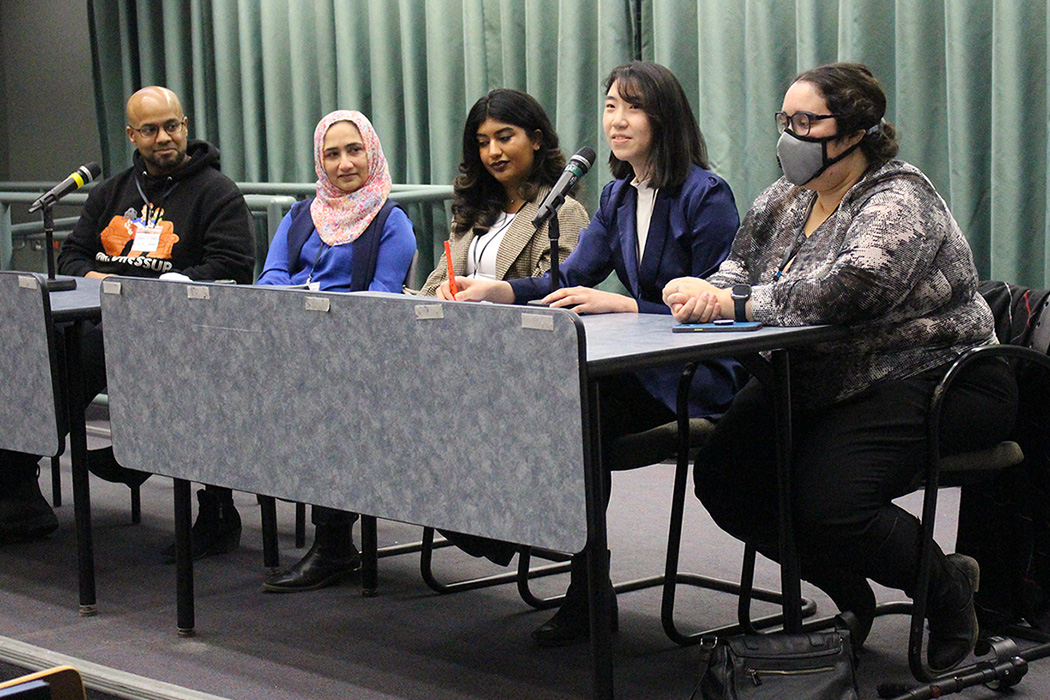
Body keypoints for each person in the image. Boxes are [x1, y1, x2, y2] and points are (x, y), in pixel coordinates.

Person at [662, 63, 1018, 673]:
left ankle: (947, 591)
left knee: (830, 501)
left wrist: (735, 303)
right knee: (727, 481)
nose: (789, 136)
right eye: (785, 120)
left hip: (934, 373)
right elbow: (739, 268)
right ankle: (849, 592)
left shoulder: (899, 197)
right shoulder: (784, 196)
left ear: (855, 132)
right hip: (821, 376)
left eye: (806, 122)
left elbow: (854, 288)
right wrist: (703, 291)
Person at [446, 62, 746, 646]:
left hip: (696, 374)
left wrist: (631, 306)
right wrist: (500, 290)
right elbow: (573, 276)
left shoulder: (705, 195)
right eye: (610, 107)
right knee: (550, 403)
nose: (617, 120)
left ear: (664, 118)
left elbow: (720, 304)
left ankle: (579, 583)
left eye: (632, 107)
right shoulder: (617, 195)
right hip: (642, 368)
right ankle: (562, 568)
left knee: (576, 416)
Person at [265, 89, 588, 591]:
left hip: (512, 360)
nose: (493, 152)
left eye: (504, 137)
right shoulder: (474, 209)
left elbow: (558, 290)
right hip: (449, 354)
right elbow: (438, 280)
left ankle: (490, 523)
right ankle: (338, 542)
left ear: (537, 139)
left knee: (358, 402)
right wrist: (438, 297)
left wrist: (493, 295)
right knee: (338, 398)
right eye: (482, 142)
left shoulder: (563, 213)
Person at [0, 86, 255, 553]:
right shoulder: (112, 192)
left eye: (172, 126)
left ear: (185, 126)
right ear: (132, 135)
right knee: (34, 340)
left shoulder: (217, 193)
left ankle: (26, 471)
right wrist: (106, 281)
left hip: (182, 330)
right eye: (150, 130)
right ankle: (16, 481)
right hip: (102, 317)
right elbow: (72, 255)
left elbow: (232, 266)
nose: (164, 138)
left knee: (84, 349)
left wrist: (149, 289)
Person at [259, 110, 416, 592]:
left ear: (372, 153)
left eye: (354, 151)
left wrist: (321, 316)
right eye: (332, 154)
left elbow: (381, 303)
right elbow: (271, 277)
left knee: (327, 407)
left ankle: (333, 544)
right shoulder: (299, 216)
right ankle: (216, 510)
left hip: (357, 359)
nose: (344, 163)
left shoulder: (392, 221)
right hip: (292, 347)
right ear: (319, 161)